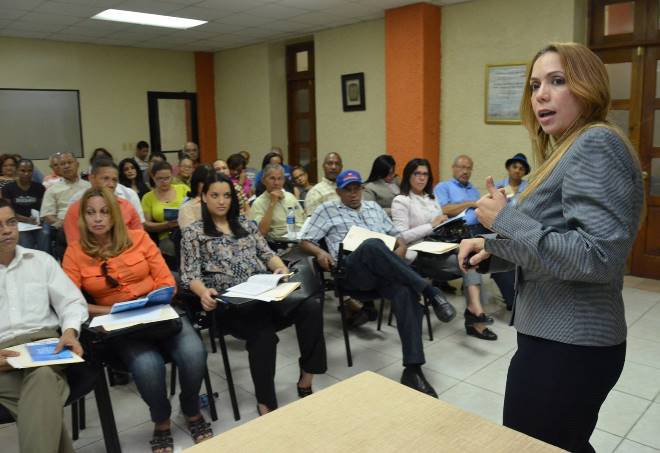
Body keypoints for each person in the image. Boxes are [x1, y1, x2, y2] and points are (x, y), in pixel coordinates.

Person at [458, 43, 644, 453]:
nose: (541, 94)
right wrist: (493, 248)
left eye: (557, 81)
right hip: (557, 339)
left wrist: (504, 220)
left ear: (588, 88)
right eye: (534, 85)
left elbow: (597, 256)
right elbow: (556, 240)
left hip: (570, 346)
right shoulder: (568, 148)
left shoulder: (595, 143)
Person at [62, 187, 213, 451]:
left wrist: (152, 300)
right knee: (147, 366)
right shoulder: (75, 252)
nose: (97, 218)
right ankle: (161, 419)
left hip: (159, 312)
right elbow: (71, 301)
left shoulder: (138, 238)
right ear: (83, 218)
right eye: (91, 213)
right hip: (119, 324)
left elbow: (167, 281)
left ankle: (191, 409)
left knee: (194, 353)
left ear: (114, 215)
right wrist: (111, 311)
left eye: (104, 212)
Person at [299, 169, 456, 397]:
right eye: (348, 190)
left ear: (362, 189)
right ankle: (430, 291)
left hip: (382, 273)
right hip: (351, 271)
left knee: (405, 291)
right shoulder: (327, 209)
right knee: (372, 245)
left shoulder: (373, 208)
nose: (353, 193)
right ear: (338, 192)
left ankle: (413, 370)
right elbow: (304, 240)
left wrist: (399, 251)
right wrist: (320, 252)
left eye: (357, 188)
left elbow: (398, 237)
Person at [180, 173, 326, 416]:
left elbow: (267, 254)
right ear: (204, 197)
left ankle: (307, 376)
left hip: (265, 292)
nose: (221, 201)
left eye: (226, 195)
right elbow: (189, 275)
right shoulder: (194, 232)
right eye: (214, 195)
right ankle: (266, 402)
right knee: (263, 335)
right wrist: (203, 292)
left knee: (311, 306)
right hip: (232, 304)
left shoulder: (245, 224)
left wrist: (280, 267)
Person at [0, 198, 88, 453]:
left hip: (44, 348)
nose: (6, 231)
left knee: (42, 375)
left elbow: (72, 302)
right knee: (43, 386)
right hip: (3, 357)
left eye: (11, 222)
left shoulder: (41, 261)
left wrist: (70, 332)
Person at [391, 158, 496, 340]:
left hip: (438, 245)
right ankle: (475, 317)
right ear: (408, 175)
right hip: (416, 253)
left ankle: (475, 311)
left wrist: (446, 223)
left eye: (425, 174)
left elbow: (438, 225)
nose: (421, 178)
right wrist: (431, 226)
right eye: (417, 173)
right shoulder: (401, 200)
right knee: (468, 262)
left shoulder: (431, 198)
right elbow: (400, 238)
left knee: (471, 255)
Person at [434, 154, 515, 310]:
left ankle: (512, 300)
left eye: (469, 168)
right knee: (488, 251)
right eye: (462, 167)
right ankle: (477, 311)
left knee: (503, 244)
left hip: (480, 228)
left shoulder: (473, 189)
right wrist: (471, 203)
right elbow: (444, 209)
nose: (465, 171)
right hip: (457, 232)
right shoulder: (444, 187)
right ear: (453, 168)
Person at [63, 159, 142, 243]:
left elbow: (140, 238)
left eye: (114, 180)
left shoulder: (126, 205)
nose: (111, 185)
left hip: (129, 250)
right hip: (90, 250)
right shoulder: (76, 209)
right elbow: (75, 245)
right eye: (105, 179)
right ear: (92, 178)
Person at [141, 161, 188, 262]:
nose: (164, 182)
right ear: (153, 178)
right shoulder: (148, 197)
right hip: (166, 236)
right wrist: (166, 225)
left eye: (167, 178)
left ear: (172, 176)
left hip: (187, 232)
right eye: (159, 179)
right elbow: (146, 224)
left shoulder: (183, 188)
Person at [249, 164, 305, 242]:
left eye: (280, 179)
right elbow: (261, 232)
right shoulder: (258, 203)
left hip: (301, 238)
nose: (276, 183)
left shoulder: (290, 196)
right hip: (278, 243)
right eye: (272, 178)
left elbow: (303, 220)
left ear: (284, 180)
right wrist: (272, 203)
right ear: (263, 181)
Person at [3, 159, 49, 252]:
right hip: (18, 221)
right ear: (17, 171)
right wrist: (26, 220)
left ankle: (46, 258)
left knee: (45, 233)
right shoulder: (8, 188)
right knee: (24, 237)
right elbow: (8, 211)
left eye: (29, 171)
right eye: (23, 170)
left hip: (36, 222)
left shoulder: (39, 187)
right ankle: (28, 259)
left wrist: (40, 219)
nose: (26, 173)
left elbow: (44, 207)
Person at [40, 152, 91, 230]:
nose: (66, 166)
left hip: (88, 225)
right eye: (63, 164)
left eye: (70, 162)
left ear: (77, 164)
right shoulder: (52, 190)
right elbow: (47, 215)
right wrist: (63, 224)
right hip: (63, 227)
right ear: (59, 168)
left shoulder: (89, 186)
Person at [304, 152, 343, 216]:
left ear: (341, 167)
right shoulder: (315, 192)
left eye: (337, 164)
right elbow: (312, 220)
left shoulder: (347, 189)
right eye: (330, 163)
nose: (333, 167)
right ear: (323, 166)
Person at [178, 164, 215, 230]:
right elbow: (189, 233)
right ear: (196, 182)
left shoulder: (219, 202)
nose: (208, 185)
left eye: (211, 182)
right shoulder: (187, 207)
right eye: (204, 182)